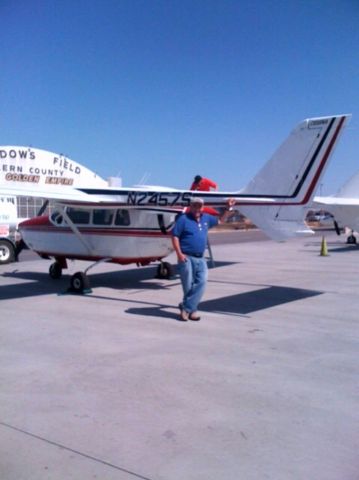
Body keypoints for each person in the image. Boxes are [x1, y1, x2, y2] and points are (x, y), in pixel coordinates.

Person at [171, 197, 235, 321]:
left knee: (202, 282)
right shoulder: (183, 219)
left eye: (199, 206)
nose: (197, 208)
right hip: (186, 257)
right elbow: (175, 236)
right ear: (191, 206)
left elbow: (220, 221)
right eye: (194, 206)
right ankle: (192, 311)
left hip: (201, 258)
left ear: (202, 207)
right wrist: (179, 254)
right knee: (188, 286)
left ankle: (185, 308)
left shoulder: (206, 218)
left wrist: (228, 209)